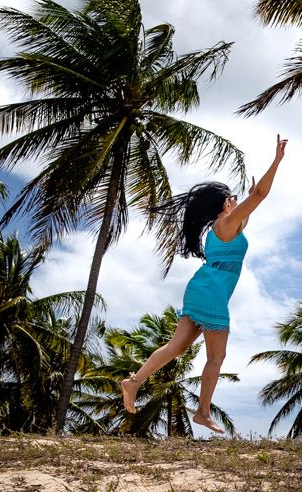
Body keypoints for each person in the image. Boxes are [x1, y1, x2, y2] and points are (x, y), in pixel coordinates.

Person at [121, 134, 289, 434]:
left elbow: (250, 210)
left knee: (175, 346)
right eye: (234, 199)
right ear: (226, 204)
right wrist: (276, 161)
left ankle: (133, 383)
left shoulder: (222, 227)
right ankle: (202, 412)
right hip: (211, 294)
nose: (239, 202)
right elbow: (261, 196)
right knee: (216, 357)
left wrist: (250, 197)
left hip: (201, 288)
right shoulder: (226, 223)